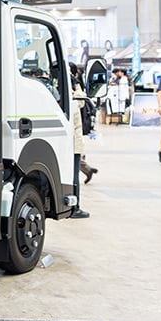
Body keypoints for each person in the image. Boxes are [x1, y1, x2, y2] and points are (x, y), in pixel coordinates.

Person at [68, 63, 89, 218]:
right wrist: (76, 84)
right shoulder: (72, 93)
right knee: (73, 175)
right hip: (72, 141)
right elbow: (81, 101)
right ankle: (75, 208)